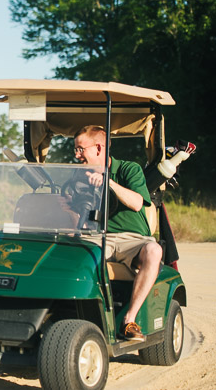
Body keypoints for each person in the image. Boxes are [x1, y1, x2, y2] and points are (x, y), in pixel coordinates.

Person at [74, 125, 163, 341]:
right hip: (96, 238)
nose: (76, 155)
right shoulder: (77, 175)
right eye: (75, 150)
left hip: (131, 240)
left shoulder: (128, 169)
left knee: (154, 251)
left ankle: (129, 320)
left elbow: (136, 203)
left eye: (79, 149)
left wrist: (108, 182)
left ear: (97, 148)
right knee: (69, 258)